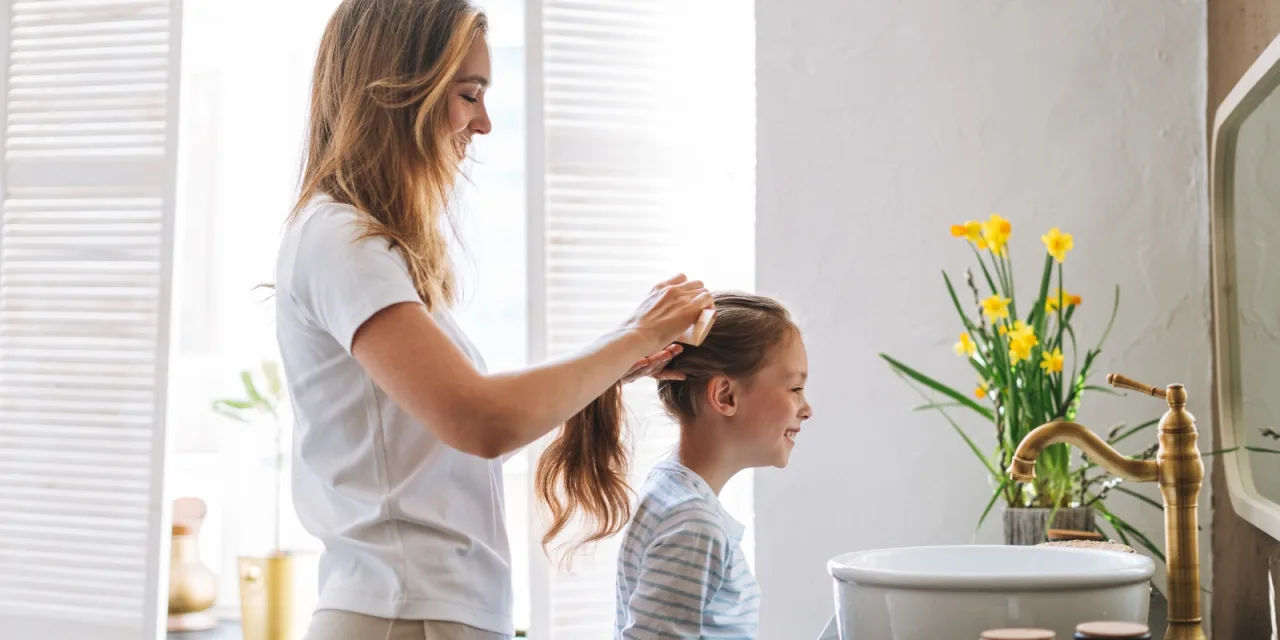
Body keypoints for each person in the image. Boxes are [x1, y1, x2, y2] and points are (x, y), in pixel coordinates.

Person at [273, 1, 712, 638]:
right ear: (401, 93)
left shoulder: (367, 248)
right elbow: (480, 419)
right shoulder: (343, 241)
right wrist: (635, 335)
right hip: (403, 611)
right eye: (468, 93)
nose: (483, 123)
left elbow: (451, 431)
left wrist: (619, 360)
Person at [535, 291, 813, 639]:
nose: (807, 409)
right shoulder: (694, 523)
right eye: (796, 388)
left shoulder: (670, 490)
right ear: (726, 396)